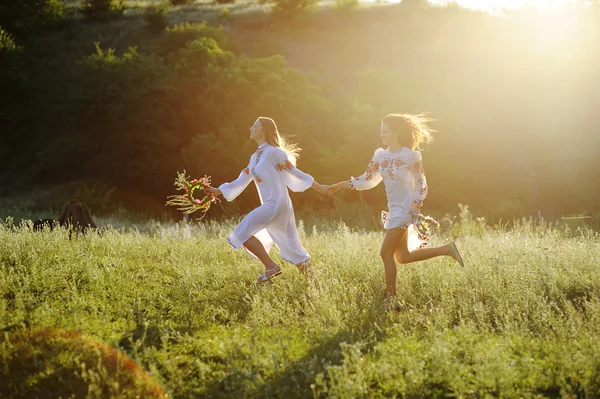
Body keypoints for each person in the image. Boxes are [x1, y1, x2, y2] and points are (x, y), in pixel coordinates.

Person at [326, 113, 464, 309]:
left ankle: (391, 299)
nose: (381, 134)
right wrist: (338, 186)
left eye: (385, 131)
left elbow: (421, 182)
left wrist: (416, 205)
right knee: (403, 257)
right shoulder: (380, 156)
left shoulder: (411, 156)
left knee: (385, 253)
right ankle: (446, 249)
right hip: (394, 210)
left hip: (406, 209)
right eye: (381, 131)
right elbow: (366, 179)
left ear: (396, 133)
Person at [205, 117, 328, 283]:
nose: (250, 128)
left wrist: (320, 187)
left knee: (241, 233)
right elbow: (243, 178)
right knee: (291, 247)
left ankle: (271, 266)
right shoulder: (255, 156)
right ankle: (315, 283)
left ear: (263, 129)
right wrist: (219, 190)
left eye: (254, 126)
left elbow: (294, 172)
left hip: (277, 203)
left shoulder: (273, 152)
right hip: (271, 204)